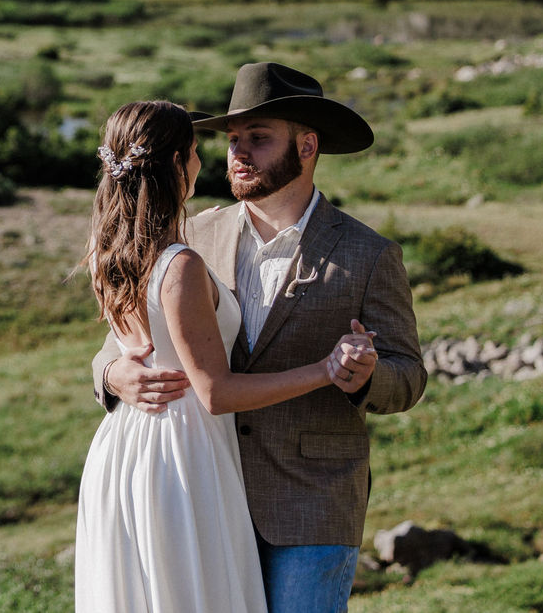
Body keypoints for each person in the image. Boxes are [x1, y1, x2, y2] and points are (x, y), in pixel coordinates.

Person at [89, 63, 427, 613]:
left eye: (259, 138)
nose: (239, 153)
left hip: (311, 503)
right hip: (200, 494)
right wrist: (110, 373)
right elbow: (127, 335)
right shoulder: (190, 237)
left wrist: (366, 376)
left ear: (308, 145)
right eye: (232, 140)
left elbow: (408, 376)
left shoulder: (369, 255)